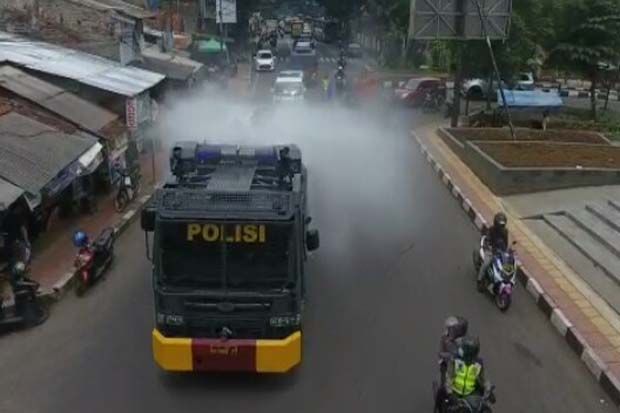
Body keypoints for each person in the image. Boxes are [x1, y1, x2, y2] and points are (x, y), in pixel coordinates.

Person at [442, 336, 491, 409]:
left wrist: (489, 390)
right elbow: (449, 377)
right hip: (454, 393)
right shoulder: (455, 360)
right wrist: (450, 394)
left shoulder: (478, 364)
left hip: (470, 396)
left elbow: (483, 380)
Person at [477, 212, 509, 289]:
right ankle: (479, 280)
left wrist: (506, 251)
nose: (501, 226)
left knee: (506, 264)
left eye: (502, 225)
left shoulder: (505, 231)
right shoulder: (491, 230)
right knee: (486, 264)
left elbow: (506, 243)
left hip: (499, 251)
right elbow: (487, 239)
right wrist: (489, 246)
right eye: (500, 225)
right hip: (490, 250)